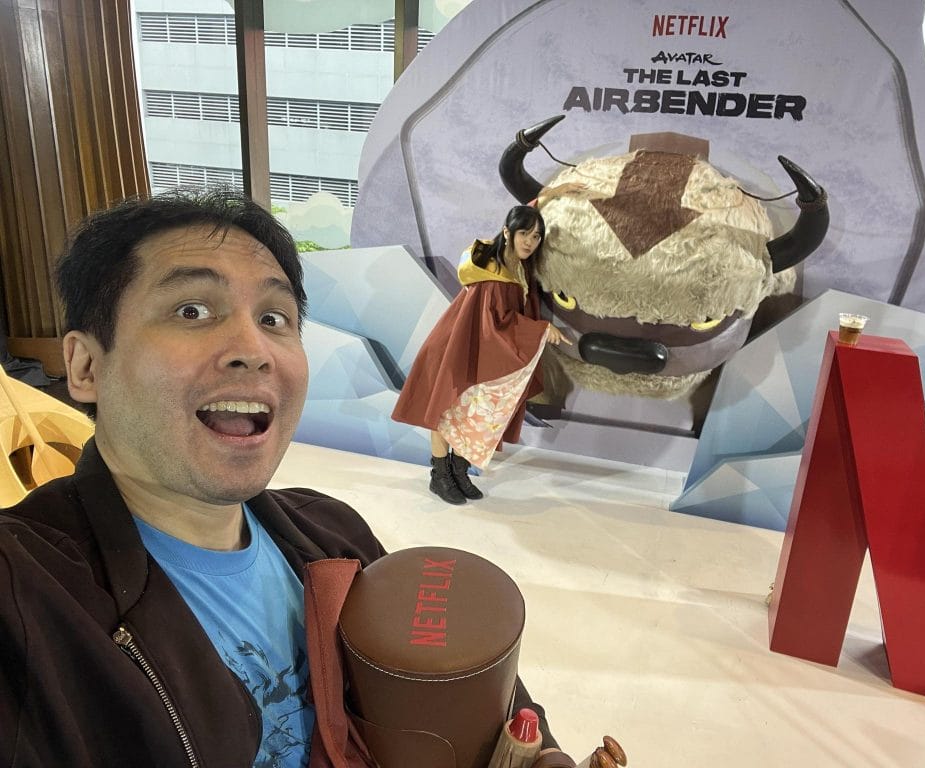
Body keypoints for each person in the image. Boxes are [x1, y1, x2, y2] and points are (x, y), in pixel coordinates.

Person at [0, 188, 552, 767]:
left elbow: (472, 703)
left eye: (273, 318)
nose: (253, 348)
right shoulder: (28, 592)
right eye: (192, 311)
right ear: (87, 366)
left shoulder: (330, 534)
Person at [391, 205, 569, 505]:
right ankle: (440, 475)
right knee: (447, 411)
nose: (530, 242)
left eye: (536, 236)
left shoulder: (518, 269)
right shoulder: (493, 272)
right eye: (524, 234)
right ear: (507, 232)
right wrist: (541, 329)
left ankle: (459, 471)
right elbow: (496, 323)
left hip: (477, 349)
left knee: (471, 413)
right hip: (456, 347)